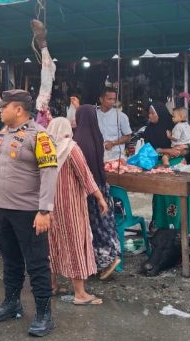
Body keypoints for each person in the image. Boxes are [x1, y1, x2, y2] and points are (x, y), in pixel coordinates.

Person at [0, 89, 58, 337]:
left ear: (18, 110)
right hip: (4, 210)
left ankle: (44, 314)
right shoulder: (3, 134)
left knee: (37, 264)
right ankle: (12, 303)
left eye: (4, 107)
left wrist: (45, 210)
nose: (0, 110)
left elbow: (49, 174)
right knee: (10, 260)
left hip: (29, 212)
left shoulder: (40, 136)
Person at [46, 117, 108, 305]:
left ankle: (51, 285)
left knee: (52, 243)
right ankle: (80, 294)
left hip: (49, 205)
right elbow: (85, 176)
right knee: (75, 242)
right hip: (70, 205)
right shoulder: (71, 148)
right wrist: (100, 197)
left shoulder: (46, 149)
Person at [74, 104, 121, 278]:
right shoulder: (96, 135)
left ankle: (106, 259)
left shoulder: (77, 139)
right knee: (104, 222)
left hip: (88, 189)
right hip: (100, 184)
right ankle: (110, 255)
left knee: (93, 225)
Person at [143, 102, 190, 232]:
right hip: (159, 165)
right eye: (149, 113)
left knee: (177, 196)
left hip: (177, 164)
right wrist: (167, 151)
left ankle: (179, 227)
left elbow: (187, 147)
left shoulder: (175, 126)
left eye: (152, 113)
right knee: (160, 196)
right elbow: (149, 149)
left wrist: (180, 152)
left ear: (160, 113)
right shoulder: (149, 129)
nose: (150, 116)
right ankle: (160, 225)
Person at [96, 87, 132, 161]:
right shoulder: (94, 115)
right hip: (98, 156)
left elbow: (128, 137)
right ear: (101, 99)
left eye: (114, 99)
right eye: (109, 99)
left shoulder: (121, 116)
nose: (112, 102)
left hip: (117, 157)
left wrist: (113, 143)